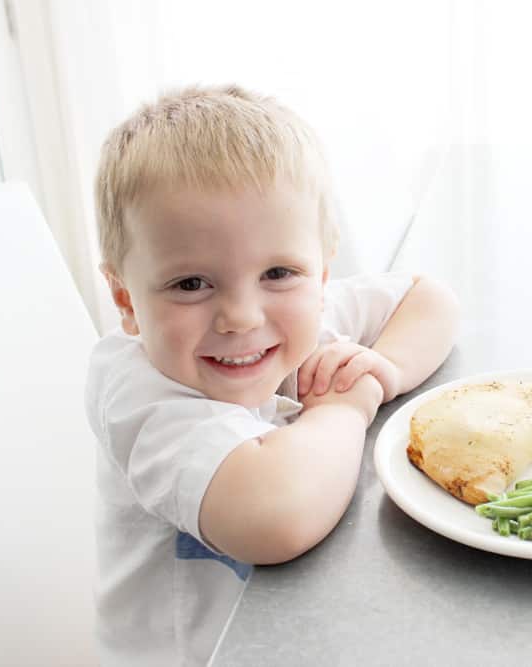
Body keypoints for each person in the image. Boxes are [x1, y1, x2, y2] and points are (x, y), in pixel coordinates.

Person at [84, 84, 459, 666]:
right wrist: (345, 405)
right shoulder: (138, 392)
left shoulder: (300, 309)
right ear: (125, 299)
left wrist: (385, 367)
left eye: (279, 272)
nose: (242, 316)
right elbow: (274, 519)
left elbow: (428, 298)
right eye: (190, 284)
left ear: (321, 273)